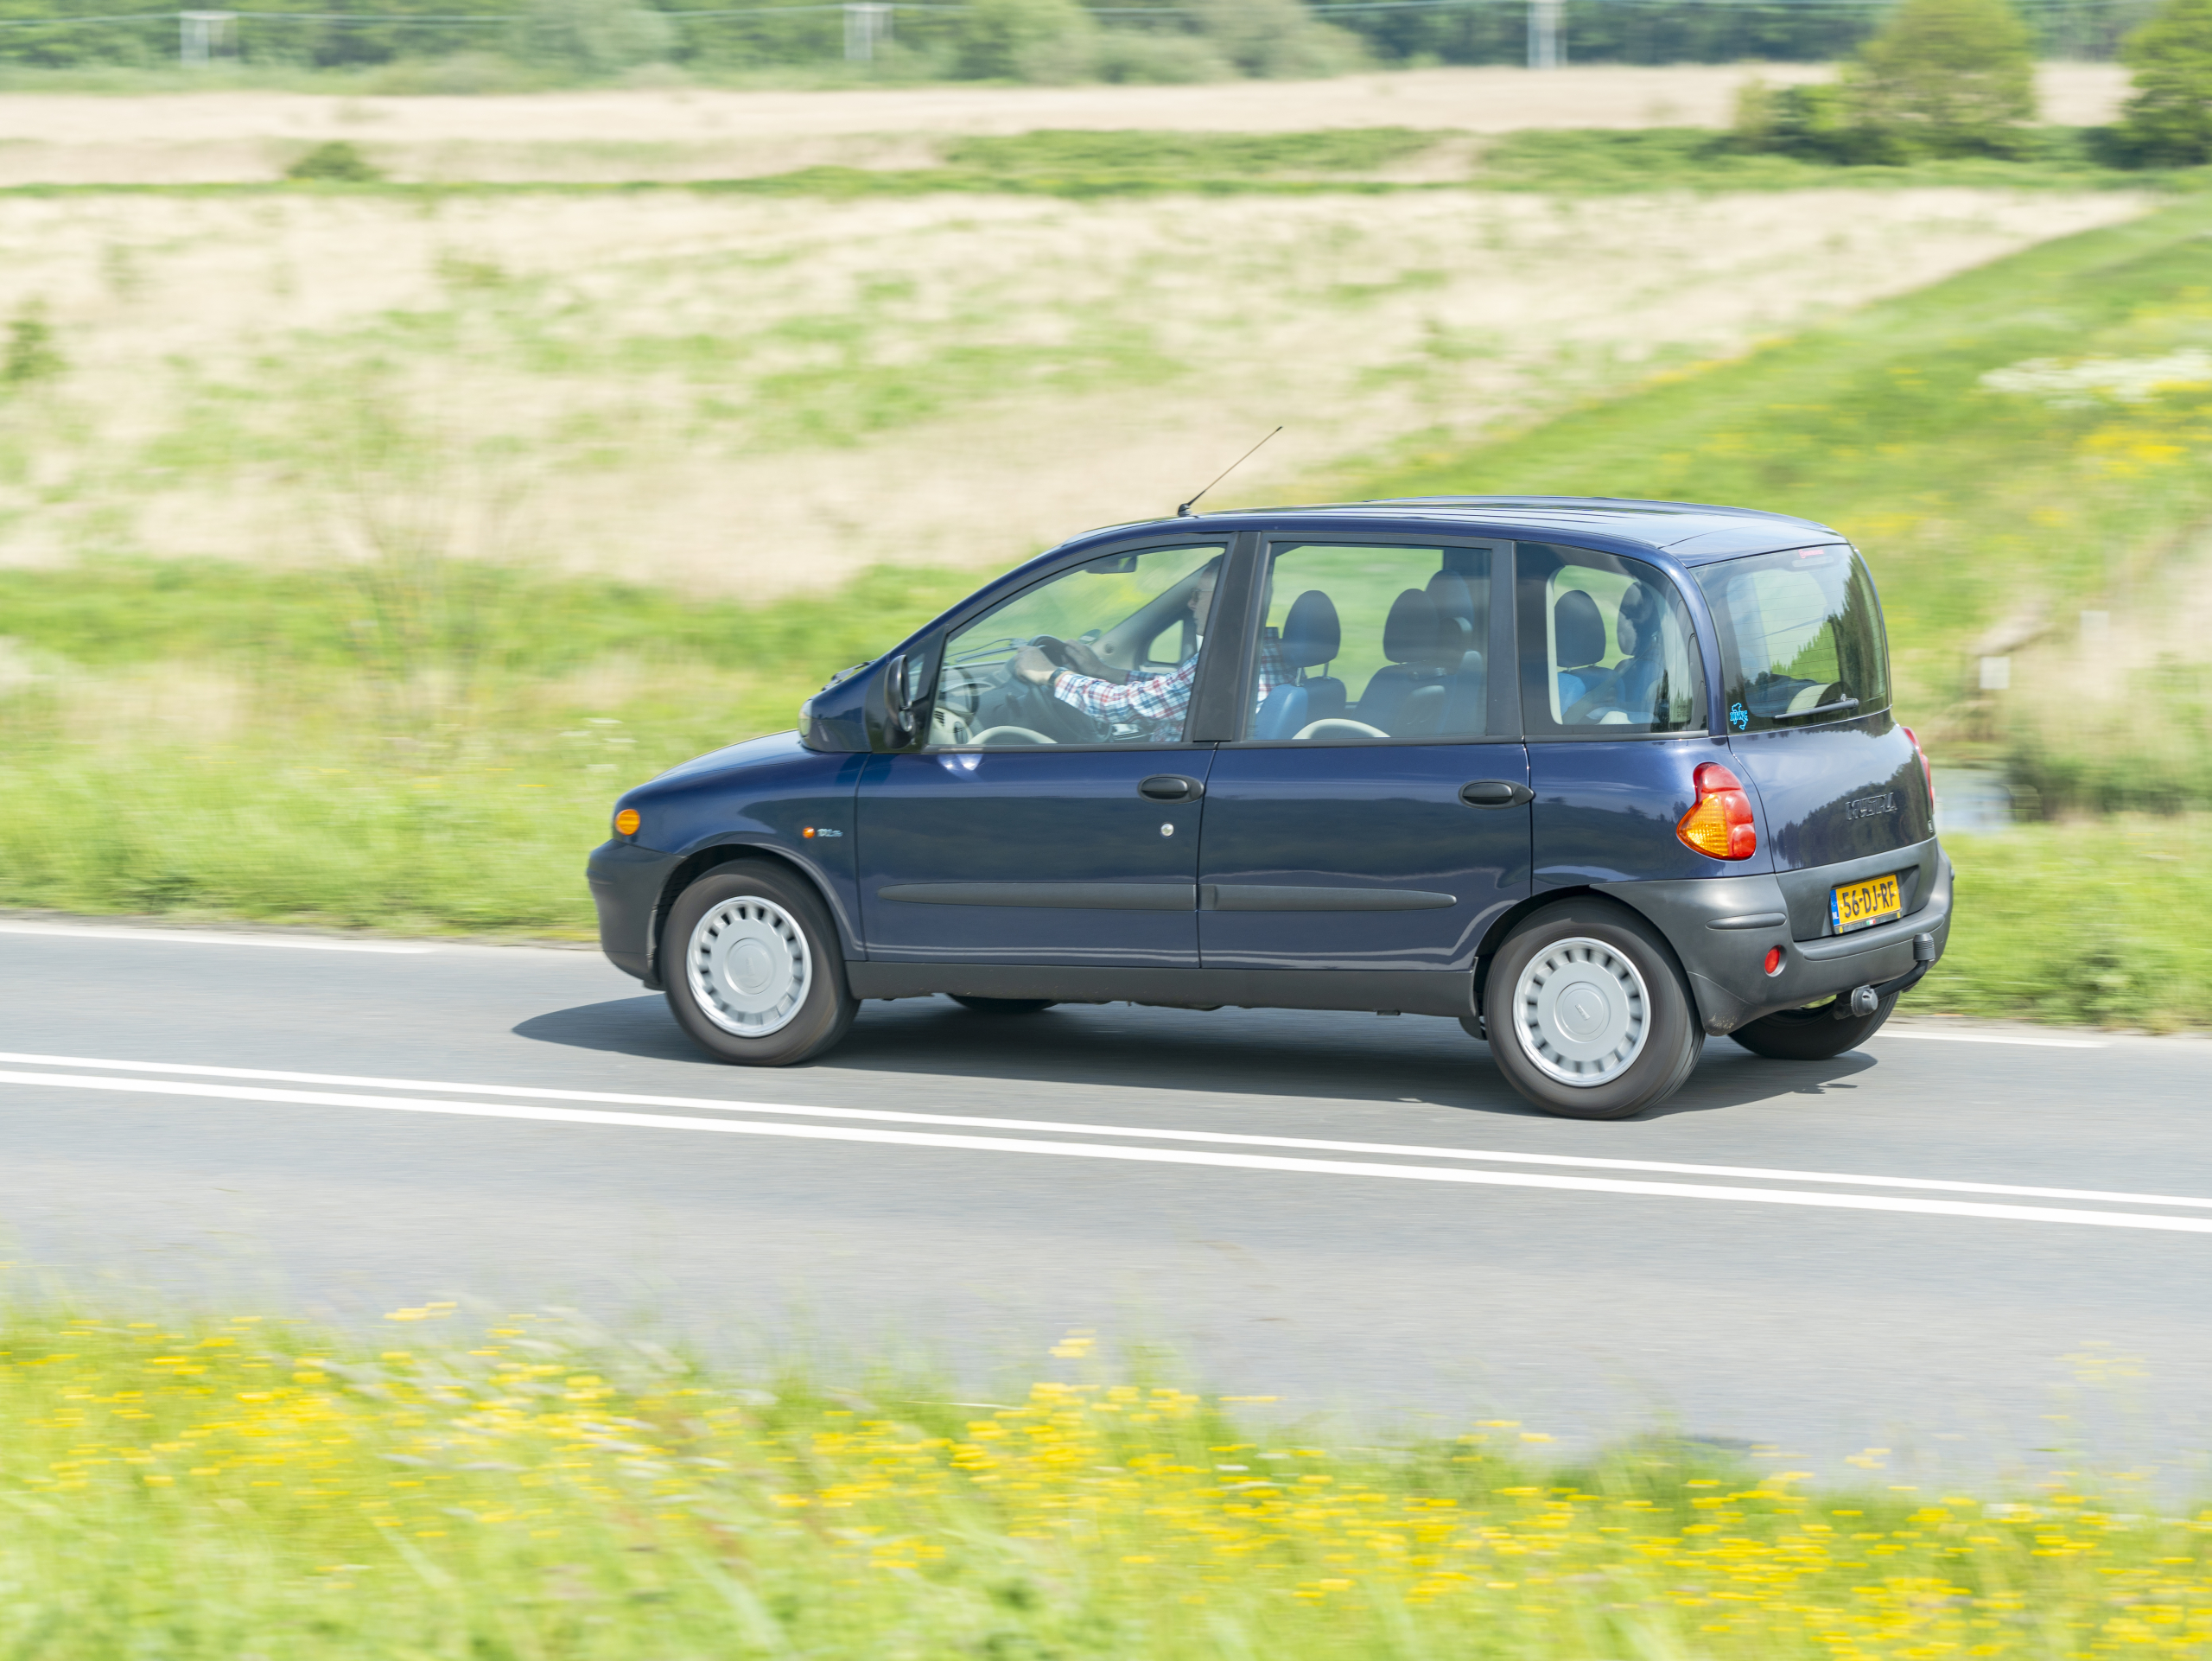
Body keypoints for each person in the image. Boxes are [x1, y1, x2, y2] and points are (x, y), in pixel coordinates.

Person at [1009, 561, 1282, 741]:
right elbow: (1174, 690)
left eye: (1198, 594)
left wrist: (1050, 675)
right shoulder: (1262, 654)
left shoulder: (1225, 665)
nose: (1189, 604)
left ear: (1227, 599)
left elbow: (1119, 705)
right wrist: (1103, 672)